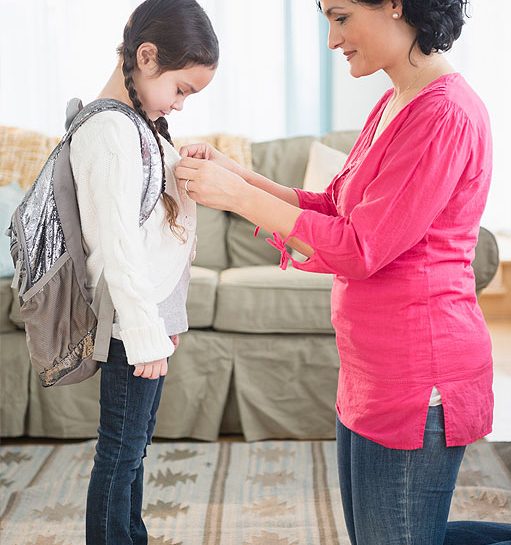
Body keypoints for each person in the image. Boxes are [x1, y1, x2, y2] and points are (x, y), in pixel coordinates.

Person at [174, 1, 511, 543]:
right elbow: (334, 207)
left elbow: (361, 245)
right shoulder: (395, 101)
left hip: (414, 373)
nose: (332, 40)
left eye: (342, 16)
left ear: (397, 6)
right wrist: (238, 178)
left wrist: (240, 197)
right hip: (368, 369)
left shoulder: (442, 113)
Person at [68, 1, 218, 543]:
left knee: (134, 448)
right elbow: (116, 247)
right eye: (180, 89)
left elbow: (153, 212)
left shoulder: (137, 125)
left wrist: (186, 163)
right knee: (121, 450)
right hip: (134, 322)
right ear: (147, 56)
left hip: (150, 317)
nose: (179, 105)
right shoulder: (108, 130)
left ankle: (132, 535)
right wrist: (144, 333)